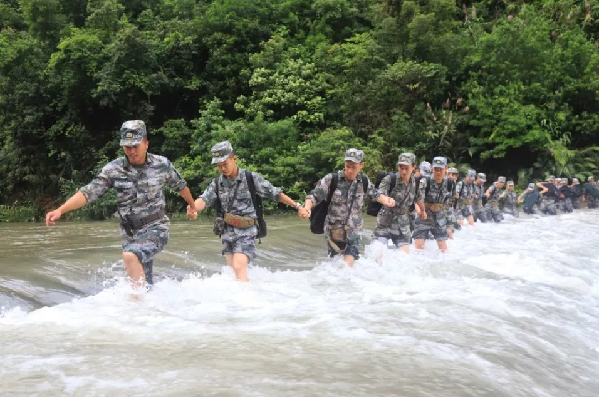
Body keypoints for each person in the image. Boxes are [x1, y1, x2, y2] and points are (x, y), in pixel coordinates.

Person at [45, 120, 198, 287]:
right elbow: (88, 192)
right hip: (130, 233)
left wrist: (192, 206)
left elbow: (181, 187)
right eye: (127, 147)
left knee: (130, 256)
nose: (131, 151)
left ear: (146, 143)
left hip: (157, 227)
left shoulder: (161, 164)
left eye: (135, 146)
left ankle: (135, 307)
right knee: (143, 282)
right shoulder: (114, 169)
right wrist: (60, 210)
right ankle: (149, 309)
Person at [189, 141, 307, 282]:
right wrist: (193, 208)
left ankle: (248, 302)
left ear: (234, 159)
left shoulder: (250, 178)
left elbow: (275, 194)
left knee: (238, 267)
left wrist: (298, 206)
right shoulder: (217, 183)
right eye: (219, 166)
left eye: (225, 164)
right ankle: (243, 298)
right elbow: (204, 199)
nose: (222, 168)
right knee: (234, 271)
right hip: (227, 232)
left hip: (246, 230)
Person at [303, 148, 378, 267]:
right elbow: (314, 196)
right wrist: (307, 208)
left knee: (348, 264)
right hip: (334, 232)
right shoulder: (332, 179)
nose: (349, 170)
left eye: (353, 167)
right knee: (337, 265)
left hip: (354, 232)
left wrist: (388, 201)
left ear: (361, 165)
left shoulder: (363, 181)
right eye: (347, 166)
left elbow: (375, 195)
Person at [372, 153, 426, 254]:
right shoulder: (390, 179)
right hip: (385, 223)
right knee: (378, 255)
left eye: (407, 168)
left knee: (403, 258)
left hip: (403, 227)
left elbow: (419, 200)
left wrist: (422, 211)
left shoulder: (417, 183)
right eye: (401, 168)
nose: (404, 171)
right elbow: (377, 194)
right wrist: (385, 199)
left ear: (414, 167)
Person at [413, 157, 454, 252]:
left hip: (440, 220)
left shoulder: (450, 183)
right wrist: (421, 211)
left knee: (444, 249)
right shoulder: (425, 182)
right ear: (432, 169)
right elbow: (417, 199)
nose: (438, 172)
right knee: (418, 249)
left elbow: (450, 203)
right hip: (424, 218)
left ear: (446, 168)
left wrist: (449, 223)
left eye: (441, 169)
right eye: (436, 169)